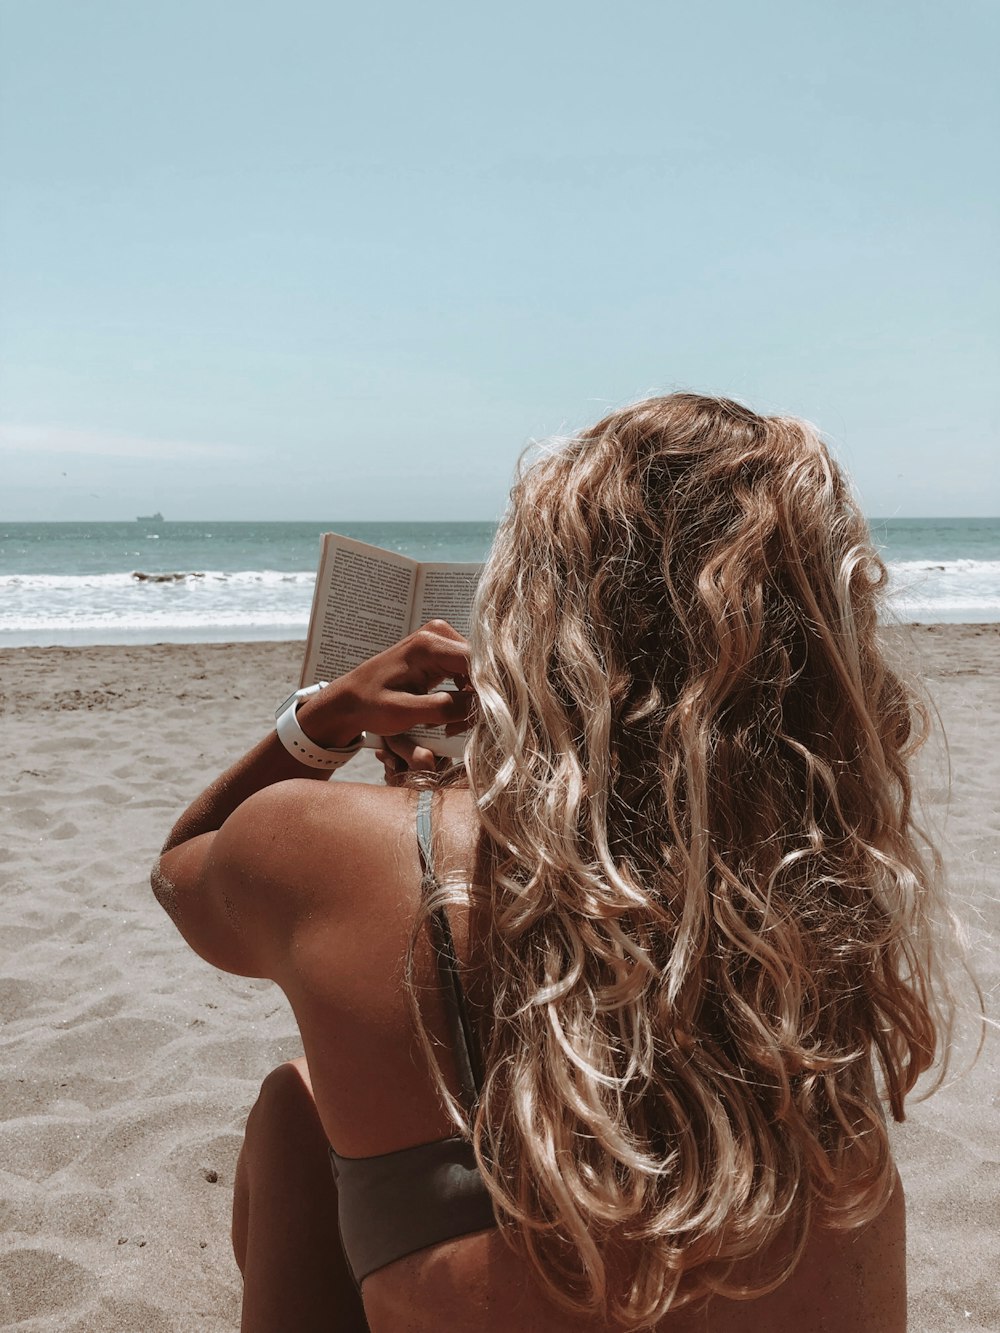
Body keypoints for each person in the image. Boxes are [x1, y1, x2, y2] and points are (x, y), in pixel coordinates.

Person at [153, 393, 954, 1332]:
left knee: (298, 1105)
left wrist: (322, 723)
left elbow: (184, 873)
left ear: (539, 608)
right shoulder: (823, 884)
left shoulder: (339, 848)